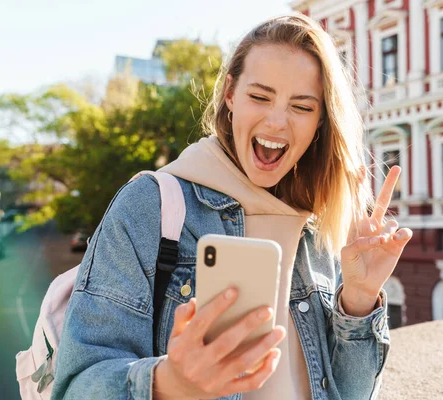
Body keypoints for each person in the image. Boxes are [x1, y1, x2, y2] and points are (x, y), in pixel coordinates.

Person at [51, 13, 412, 400]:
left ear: (321, 122)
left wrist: (358, 301)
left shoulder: (323, 225)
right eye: (260, 97)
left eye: (302, 107)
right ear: (230, 95)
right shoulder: (150, 207)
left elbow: (351, 394)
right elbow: (77, 386)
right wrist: (171, 383)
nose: (276, 122)